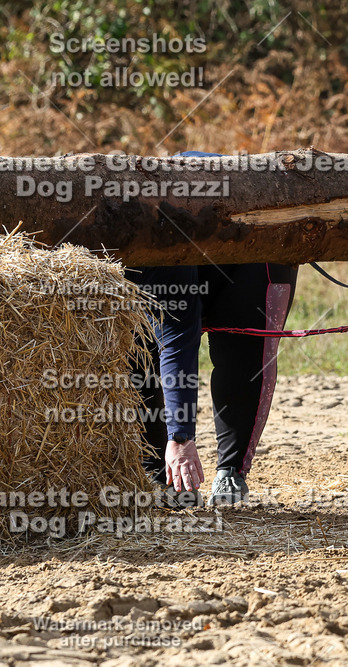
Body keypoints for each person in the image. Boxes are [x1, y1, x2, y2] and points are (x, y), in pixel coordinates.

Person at [128, 151, 297, 506]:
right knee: (139, 352)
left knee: (243, 353)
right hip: (182, 250)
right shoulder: (107, 259)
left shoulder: (158, 240)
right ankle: (159, 475)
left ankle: (230, 471)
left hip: (254, 249)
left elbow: (178, 340)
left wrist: (181, 438)